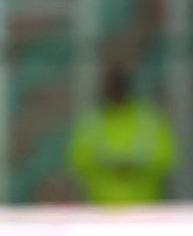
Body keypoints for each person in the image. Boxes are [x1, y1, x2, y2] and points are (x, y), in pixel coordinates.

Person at [67, 67, 177, 204]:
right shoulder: (91, 122)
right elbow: (77, 160)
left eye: (117, 87)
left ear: (127, 89)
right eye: (110, 88)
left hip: (145, 207)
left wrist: (136, 168)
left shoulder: (149, 119)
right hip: (101, 207)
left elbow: (167, 158)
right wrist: (112, 168)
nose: (114, 92)